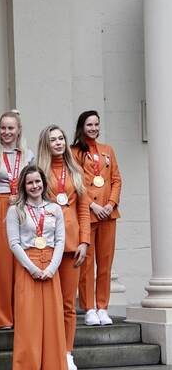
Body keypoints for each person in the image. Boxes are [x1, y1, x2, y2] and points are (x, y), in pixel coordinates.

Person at [6, 164, 69, 370]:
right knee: (29, 324)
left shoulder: (54, 209)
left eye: (38, 182)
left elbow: (61, 240)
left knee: (52, 324)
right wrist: (32, 268)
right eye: (30, 182)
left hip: (51, 265)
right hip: (28, 265)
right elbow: (14, 243)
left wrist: (52, 268)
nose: (35, 186)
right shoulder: (16, 210)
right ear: (24, 185)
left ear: (44, 183)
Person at [36, 125, 90, 370]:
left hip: (71, 244)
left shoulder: (75, 170)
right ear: (45, 144)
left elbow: (83, 209)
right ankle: (49, 351)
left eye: (61, 139)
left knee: (68, 303)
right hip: (45, 244)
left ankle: (67, 352)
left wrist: (84, 241)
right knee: (47, 303)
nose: (58, 143)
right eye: (52, 139)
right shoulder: (38, 172)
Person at [0, 110, 35, 329]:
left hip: (23, 207)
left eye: (11, 128)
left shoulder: (28, 156)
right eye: (3, 128)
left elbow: (34, 181)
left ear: (18, 130)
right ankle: (1, 317)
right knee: (0, 263)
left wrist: (19, 200)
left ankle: (22, 314)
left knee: (22, 261)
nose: (6, 132)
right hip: (0, 207)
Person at [71, 110, 122, 327]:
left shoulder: (107, 150)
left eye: (96, 124)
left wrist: (110, 204)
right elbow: (74, 182)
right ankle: (89, 307)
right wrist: (92, 205)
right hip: (87, 214)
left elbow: (117, 179)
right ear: (82, 127)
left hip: (108, 215)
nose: (93, 128)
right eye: (89, 125)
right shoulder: (74, 152)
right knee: (87, 263)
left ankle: (103, 307)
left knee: (105, 263)